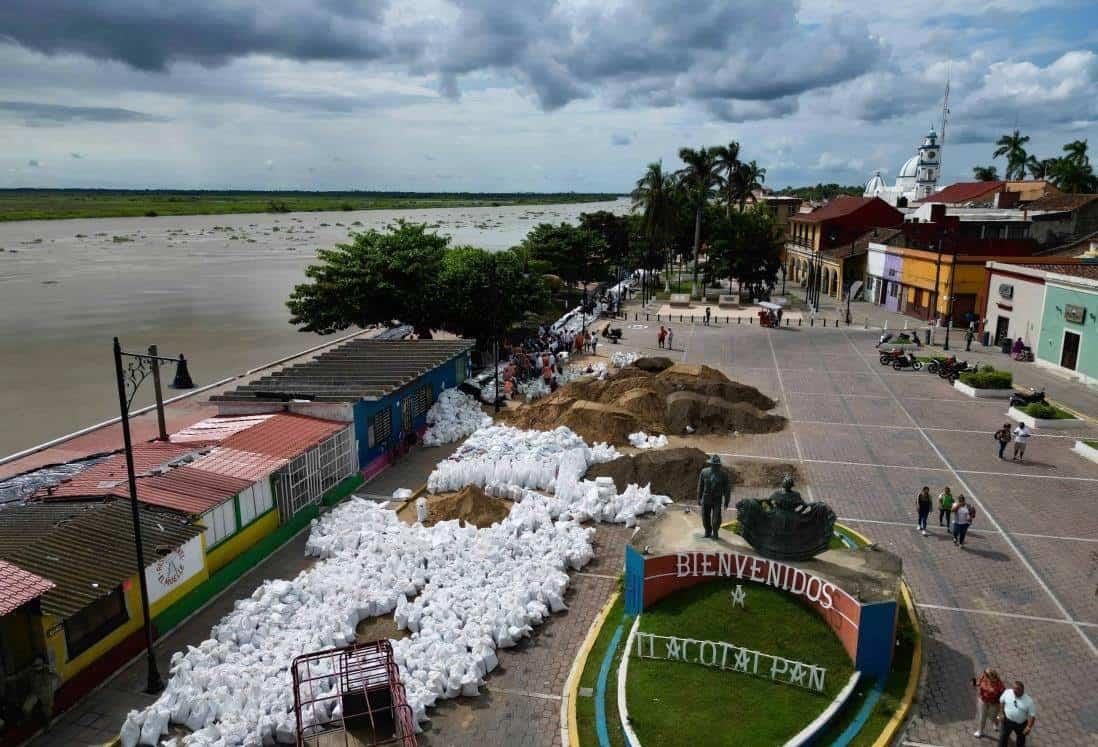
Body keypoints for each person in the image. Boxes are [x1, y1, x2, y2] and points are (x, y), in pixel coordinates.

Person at [697, 454, 732, 540]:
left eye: (717, 465)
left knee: (716, 519)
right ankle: (707, 532)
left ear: (719, 465)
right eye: (714, 465)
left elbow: (727, 490)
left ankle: (715, 532)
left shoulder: (724, 475)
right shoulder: (704, 472)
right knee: (705, 517)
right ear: (711, 464)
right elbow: (700, 486)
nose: (715, 467)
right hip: (706, 498)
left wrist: (726, 502)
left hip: (717, 499)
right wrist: (699, 498)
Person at [998, 680, 1036, 746]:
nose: (1014, 692)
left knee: (1021, 740)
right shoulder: (1008, 692)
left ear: (1022, 691)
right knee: (1003, 737)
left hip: (1021, 725)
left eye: (1017, 690)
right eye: (1014, 689)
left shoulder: (1029, 701)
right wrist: (1001, 713)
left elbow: (1032, 716)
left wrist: (1028, 727)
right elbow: (1002, 701)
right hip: (1007, 721)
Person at [973, 668, 1005, 738]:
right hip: (983, 701)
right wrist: (973, 683)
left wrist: (1001, 706)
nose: (984, 676)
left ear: (991, 677)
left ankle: (995, 723)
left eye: (986, 676)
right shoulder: (984, 677)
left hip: (994, 704)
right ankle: (980, 731)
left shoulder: (999, 684)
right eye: (984, 675)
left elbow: (1003, 695)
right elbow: (978, 682)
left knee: (993, 717)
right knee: (982, 717)